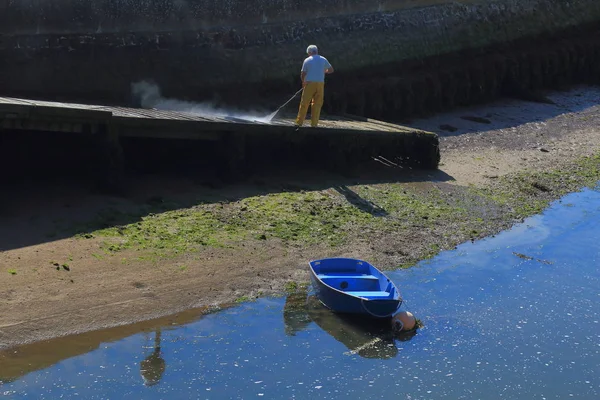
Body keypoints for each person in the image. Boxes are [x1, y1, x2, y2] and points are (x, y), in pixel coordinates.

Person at [295, 45, 334, 128]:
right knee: (317, 104)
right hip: (320, 84)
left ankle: (299, 123)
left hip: (309, 83)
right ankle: (314, 124)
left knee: (304, 103)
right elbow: (331, 70)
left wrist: (303, 82)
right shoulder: (323, 59)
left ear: (309, 52)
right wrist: (324, 71)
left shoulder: (307, 60)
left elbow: (303, 73)